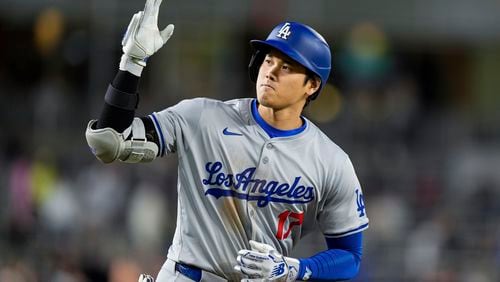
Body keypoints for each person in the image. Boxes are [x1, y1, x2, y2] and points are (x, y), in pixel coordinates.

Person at [85, 0, 369, 281]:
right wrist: (132, 63)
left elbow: (350, 257)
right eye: (268, 59)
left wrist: (293, 269)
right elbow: (110, 142)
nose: (270, 71)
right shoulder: (202, 117)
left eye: (286, 66)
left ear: (313, 84)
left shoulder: (331, 161)